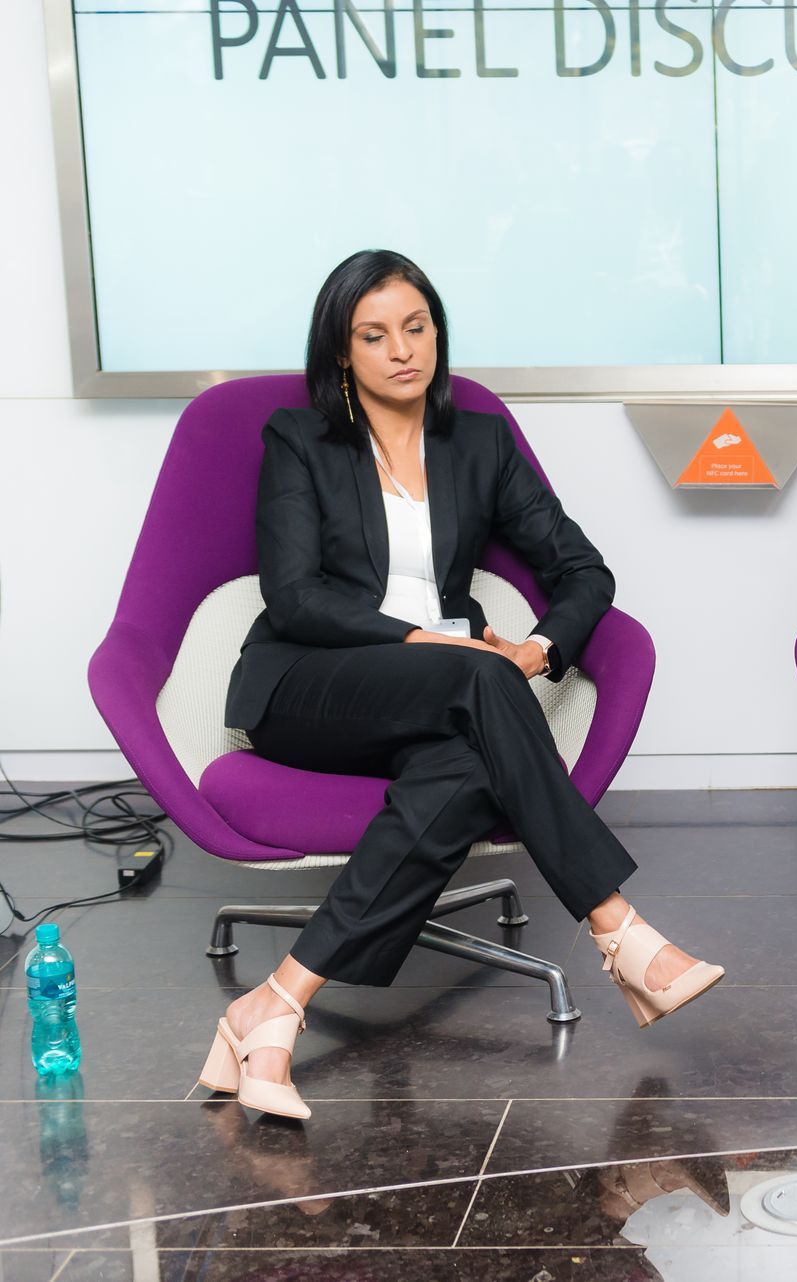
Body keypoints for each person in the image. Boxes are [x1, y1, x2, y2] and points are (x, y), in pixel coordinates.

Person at [200, 250, 723, 1119]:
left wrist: (540, 647)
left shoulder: (478, 442)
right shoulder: (300, 440)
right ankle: (618, 931)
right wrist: (426, 640)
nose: (403, 350)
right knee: (475, 681)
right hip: (307, 682)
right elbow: (294, 596)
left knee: (466, 758)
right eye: (375, 336)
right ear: (341, 353)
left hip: (440, 687)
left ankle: (274, 1005)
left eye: (417, 327)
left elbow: (584, 571)